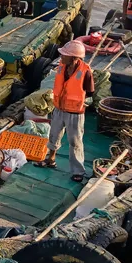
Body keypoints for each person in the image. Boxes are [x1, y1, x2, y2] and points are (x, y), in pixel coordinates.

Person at [37, 40, 94, 183]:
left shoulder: (85, 71)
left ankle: (78, 171)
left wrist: (82, 103)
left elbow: (90, 92)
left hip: (75, 113)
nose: (61, 56)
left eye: (65, 55)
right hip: (59, 108)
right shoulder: (61, 66)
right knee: (54, 135)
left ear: (74, 58)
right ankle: (50, 159)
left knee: (75, 142)